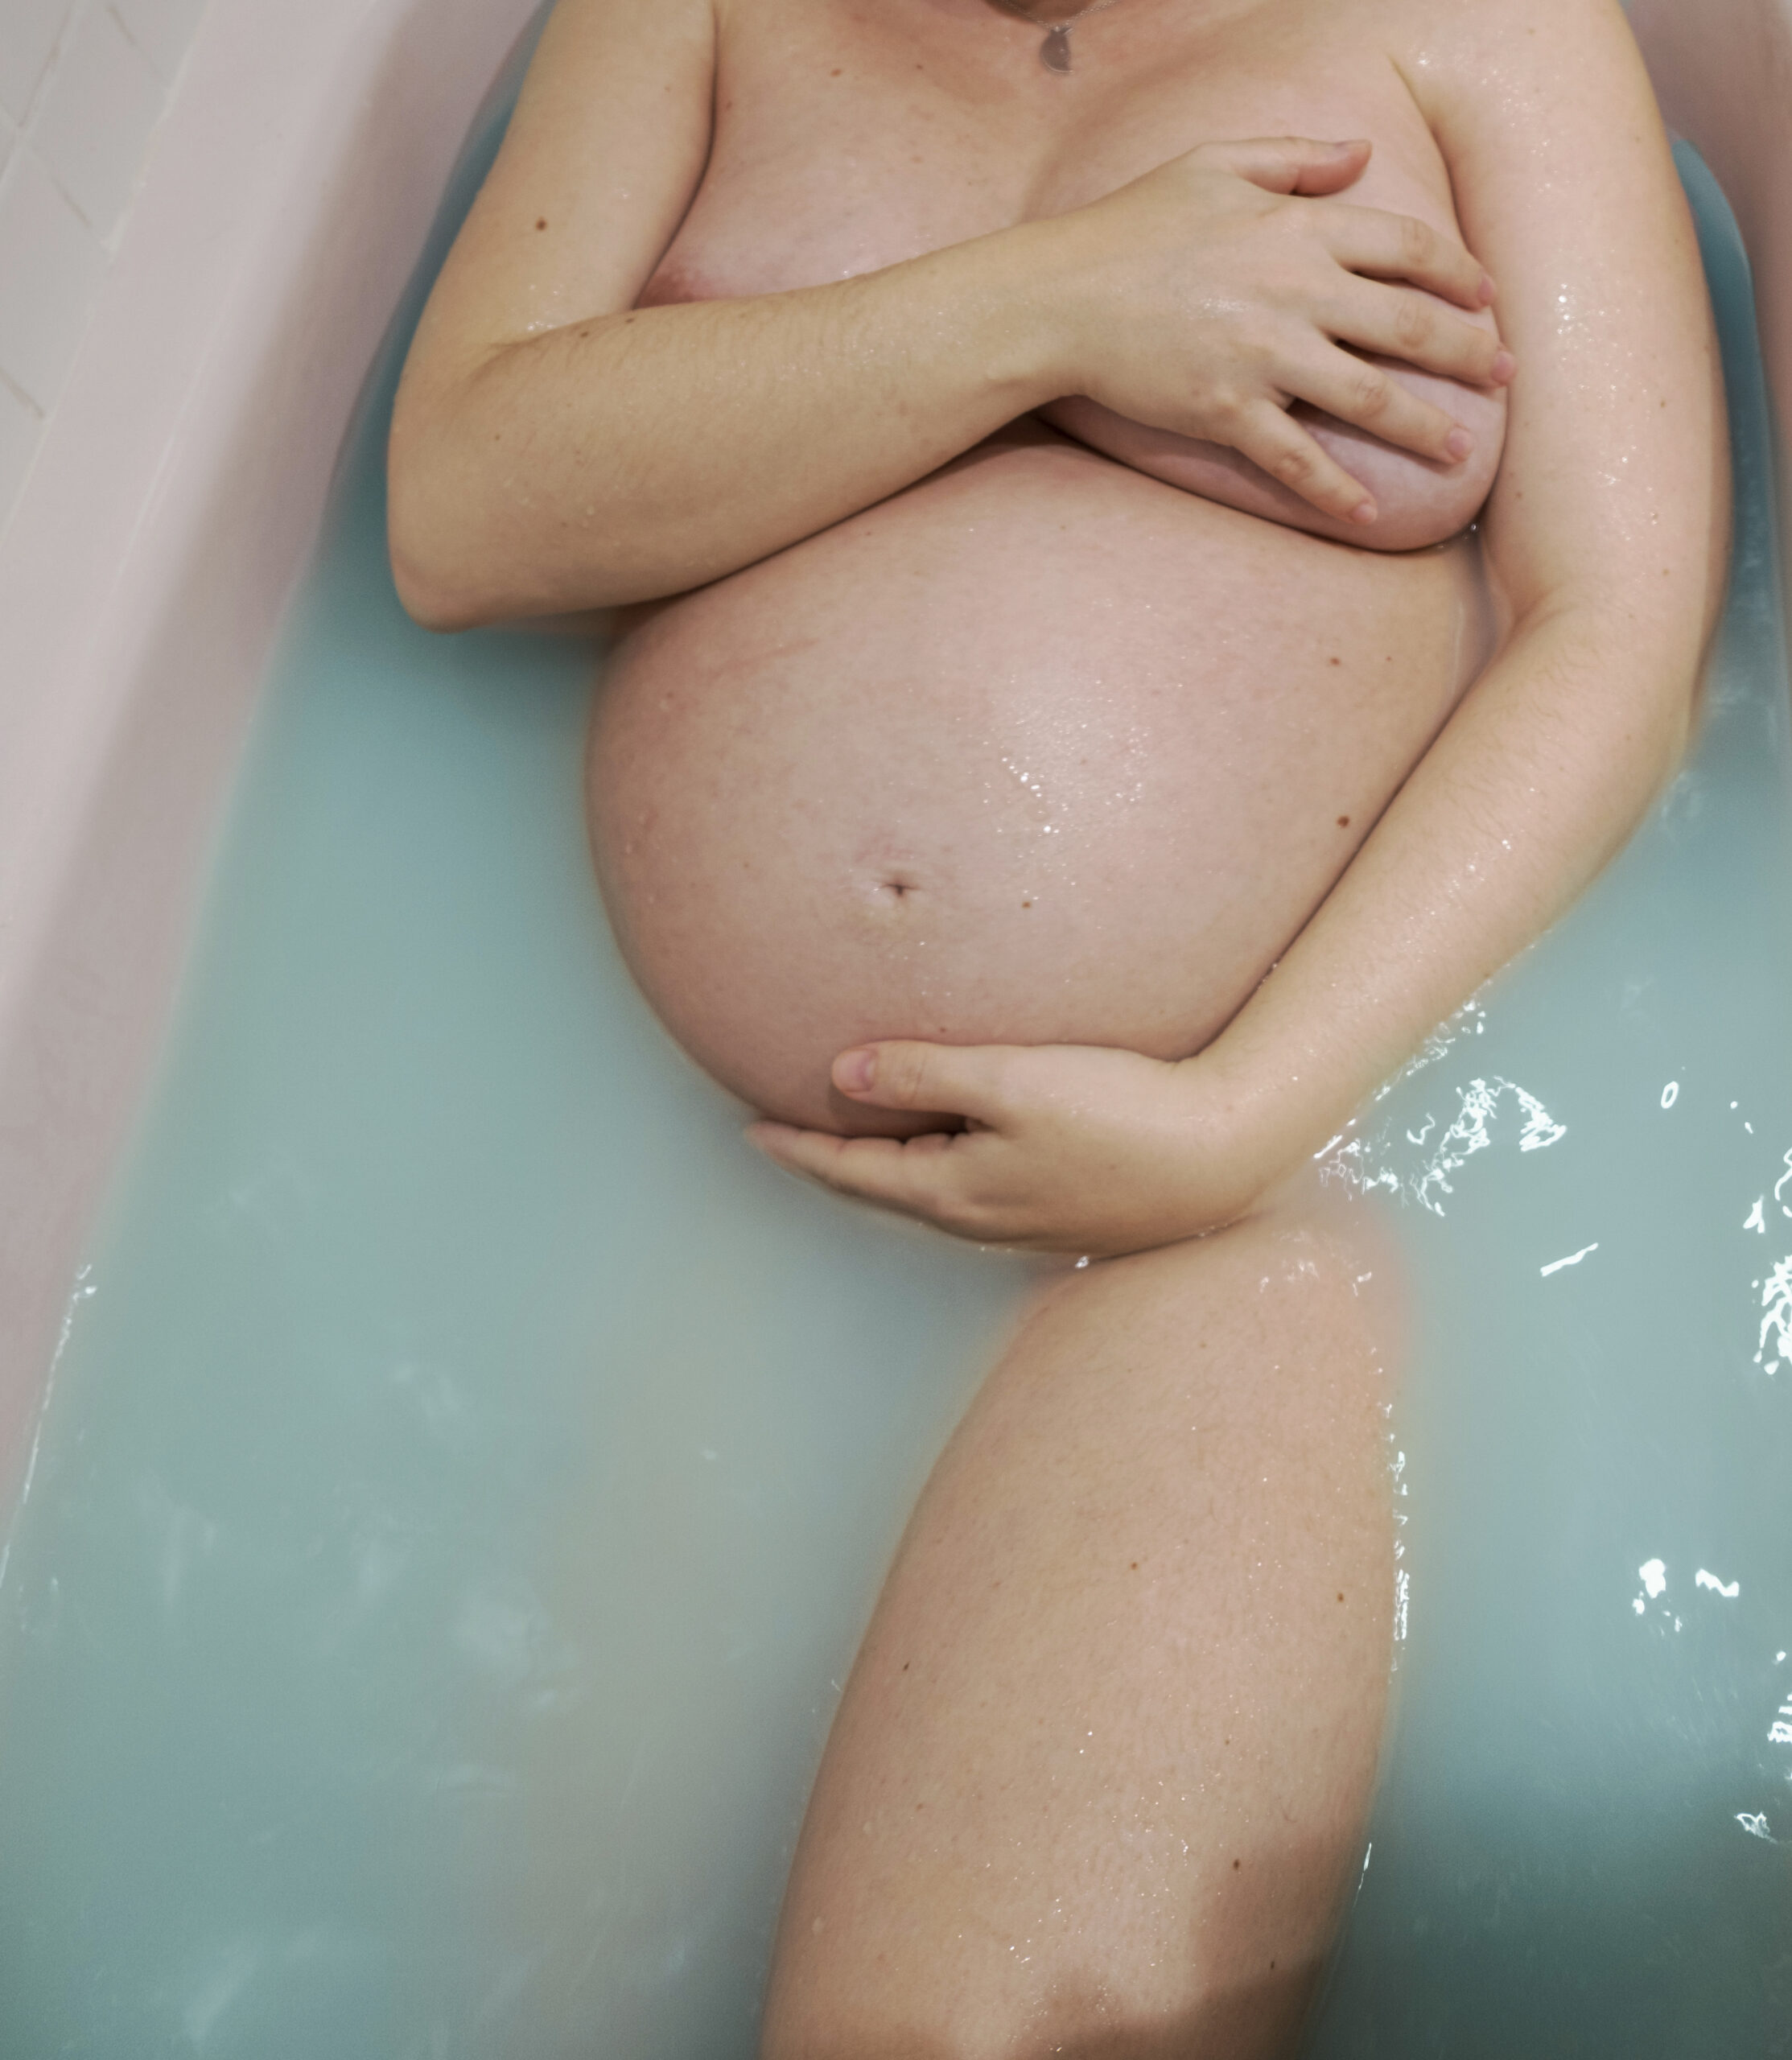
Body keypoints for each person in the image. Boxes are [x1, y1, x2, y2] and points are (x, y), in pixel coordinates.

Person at [386, 0, 1727, 2050]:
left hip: (1228, 1197)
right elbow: (463, 509)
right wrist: (1064, 303)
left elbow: (1618, 635)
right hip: (701, 1179)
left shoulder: (1483, 27)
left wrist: (1240, 1113)